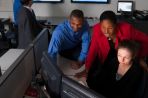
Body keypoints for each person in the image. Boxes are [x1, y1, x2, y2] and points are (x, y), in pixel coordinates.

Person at [75, 10, 148, 78]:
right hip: (106, 63)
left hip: (125, 63)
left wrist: (138, 57)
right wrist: (87, 69)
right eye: (103, 27)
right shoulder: (97, 29)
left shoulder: (127, 30)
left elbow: (145, 40)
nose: (106, 31)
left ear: (116, 25)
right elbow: (93, 50)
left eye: (110, 28)